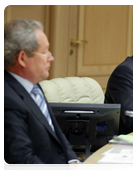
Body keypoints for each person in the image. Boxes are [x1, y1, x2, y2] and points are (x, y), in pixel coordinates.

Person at [4, 18, 81, 170]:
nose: (51, 58)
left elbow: (55, 134)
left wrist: (73, 159)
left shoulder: (33, 86)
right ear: (22, 58)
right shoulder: (7, 99)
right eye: (45, 52)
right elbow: (21, 161)